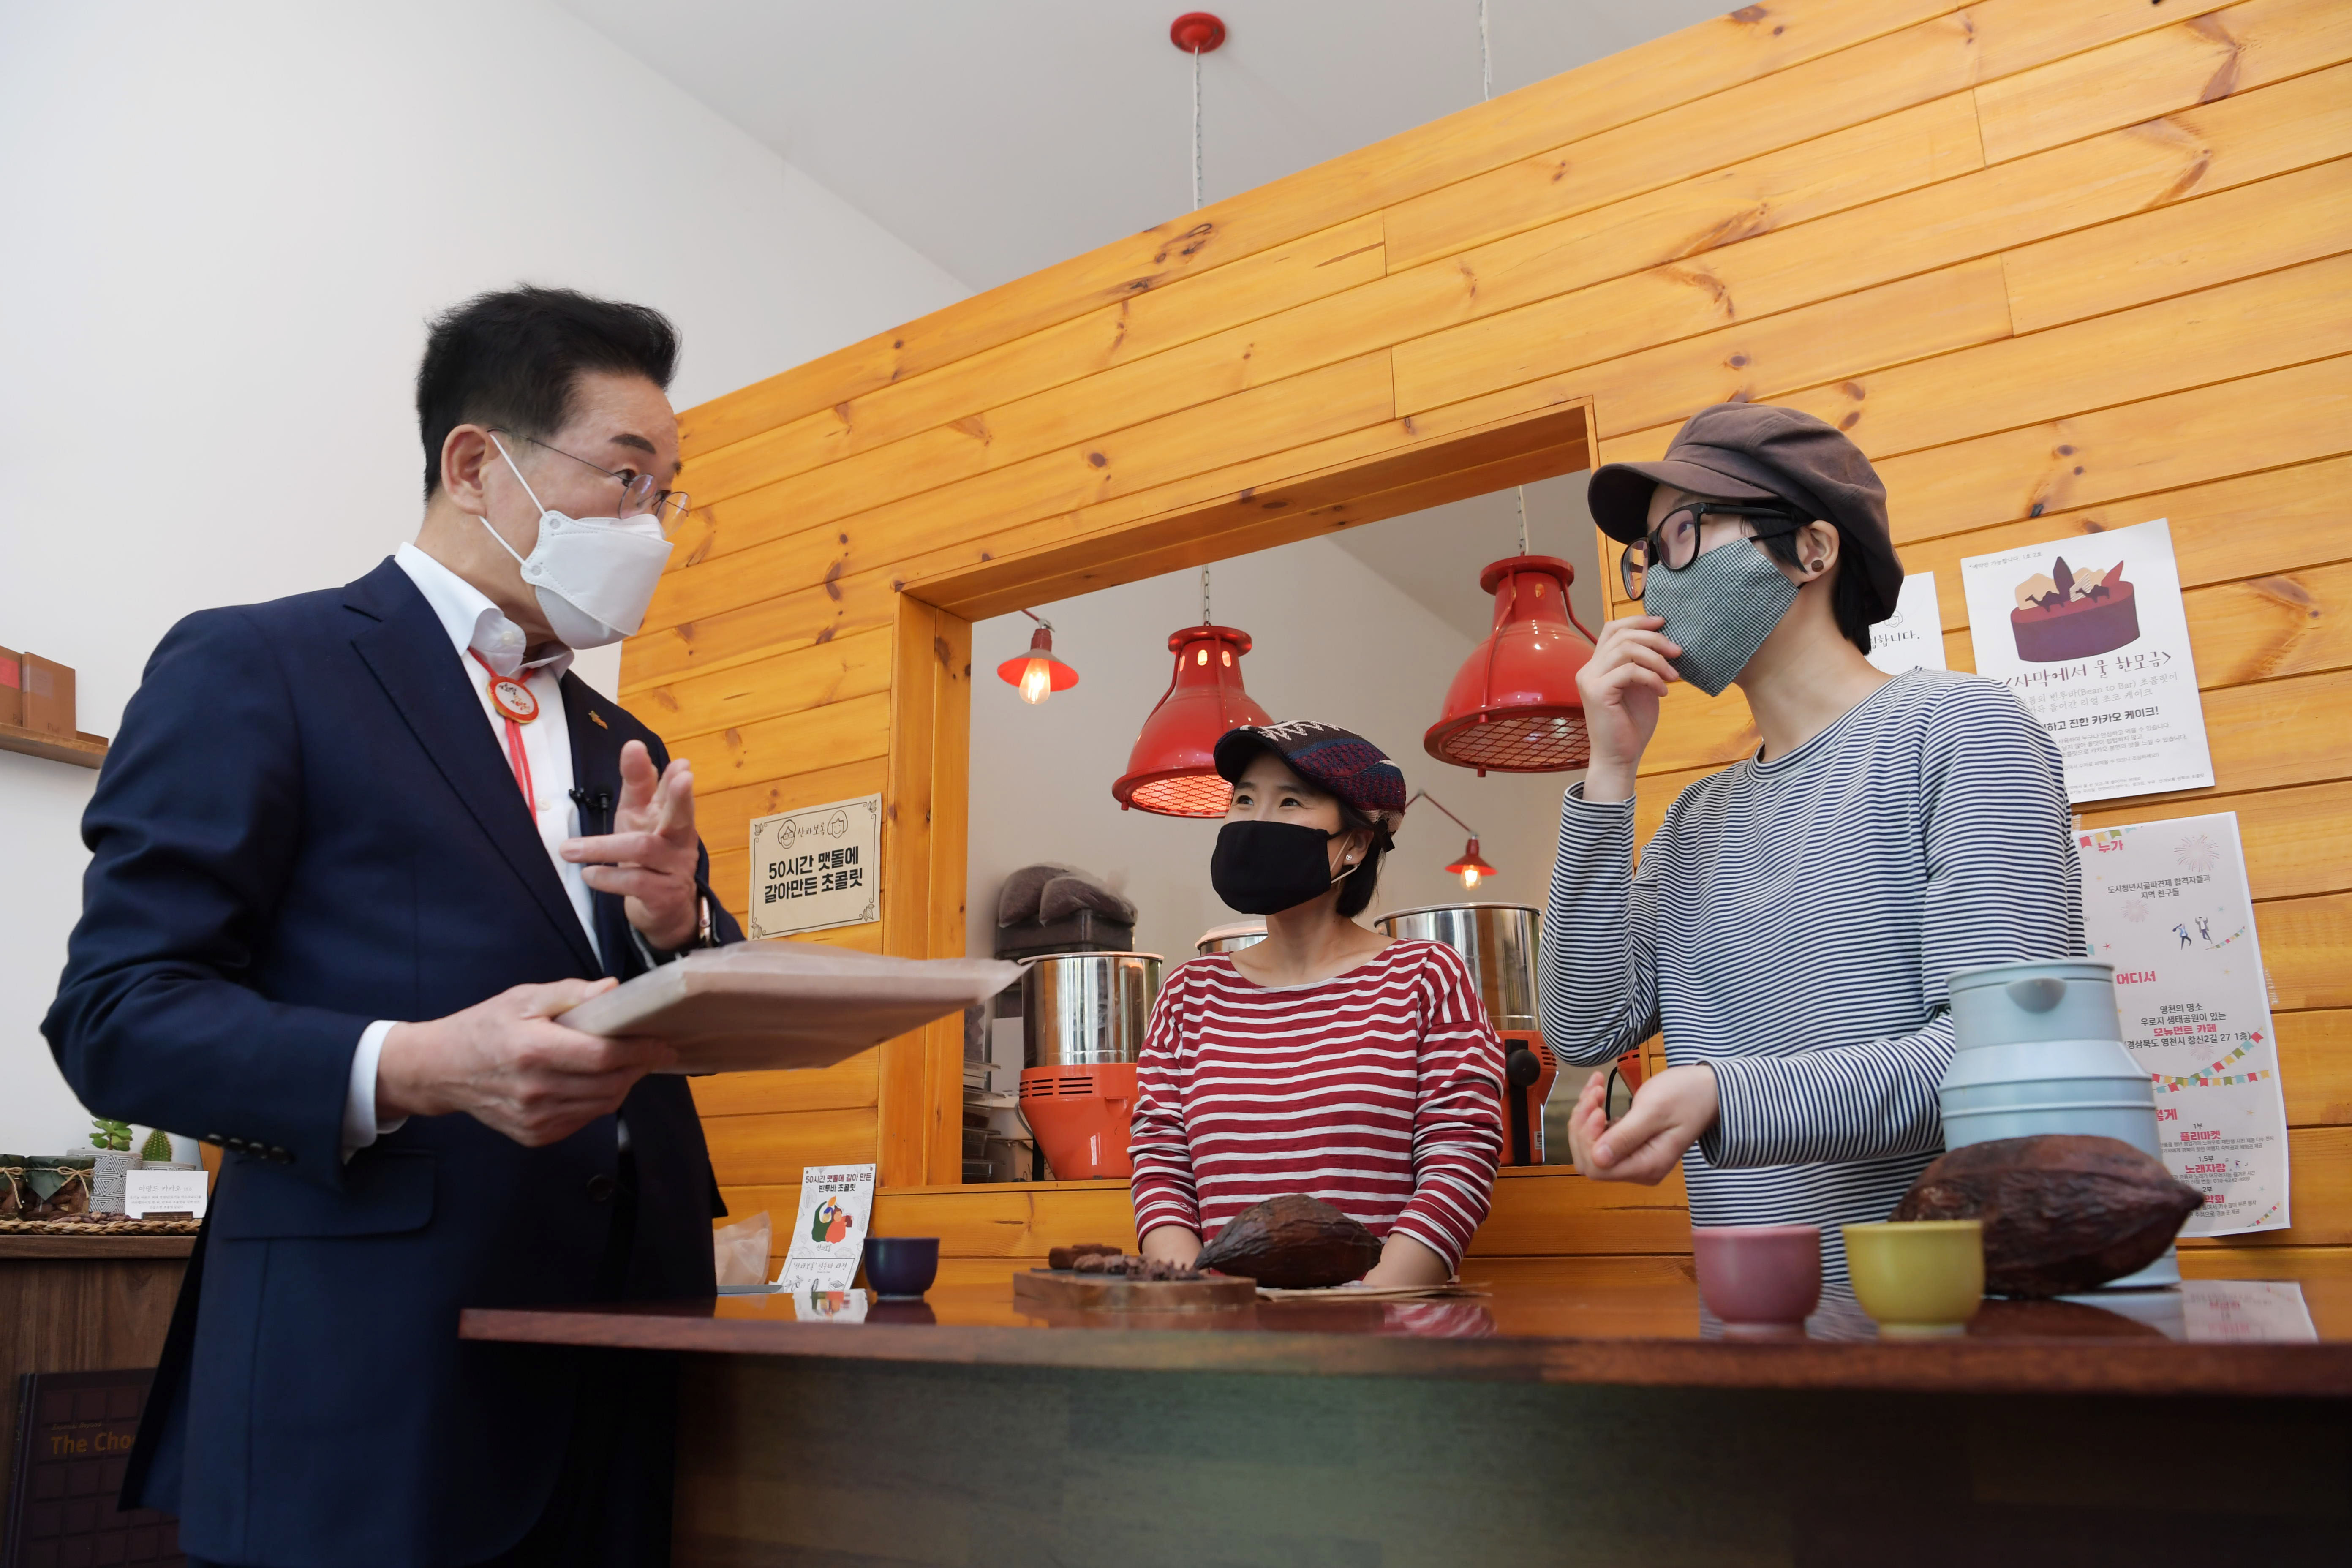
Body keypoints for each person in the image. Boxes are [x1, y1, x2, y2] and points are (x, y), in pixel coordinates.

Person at [44, 286, 743, 1567]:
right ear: (475, 465)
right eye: (626, 477)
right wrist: (419, 1065)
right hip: (369, 1385)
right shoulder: (263, 665)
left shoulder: (623, 739)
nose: (650, 525)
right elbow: (117, 1014)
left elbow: (697, 1004)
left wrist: (677, 922)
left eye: (668, 494)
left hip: (626, 1367)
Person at [1540, 403, 2082, 1284]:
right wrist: (1609, 773)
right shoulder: (1696, 819)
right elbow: (1584, 1026)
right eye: (1646, 558)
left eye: (1683, 535)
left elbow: (1996, 1053)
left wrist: (1727, 1096)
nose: (1657, 585)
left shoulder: (1962, 731)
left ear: (1813, 550)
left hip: (1957, 1319)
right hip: (1760, 1320)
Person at [1130, 721, 1506, 1287]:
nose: (1256, 821)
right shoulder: (1190, 994)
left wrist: (1370, 1304)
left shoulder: (1426, 978)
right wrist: (1195, 1304)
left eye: (1289, 802)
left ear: (1356, 844)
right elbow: (1162, 1169)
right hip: (1221, 1331)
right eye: (1244, 800)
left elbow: (1460, 1157)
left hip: (1385, 1327)